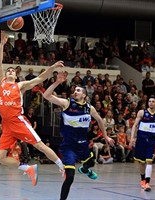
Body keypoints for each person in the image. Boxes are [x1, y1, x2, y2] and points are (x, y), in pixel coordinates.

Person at [0, 31, 64, 187]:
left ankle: (62, 166)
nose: (10, 71)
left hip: (18, 121)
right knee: (0, 157)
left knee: (39, 145)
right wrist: (1, 45)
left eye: (13, 70)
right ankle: (28, 169)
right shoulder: (1, 82)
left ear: (16, 76)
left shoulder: (20, 85)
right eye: (9, 70)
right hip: (6, 125)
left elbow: (40, 78)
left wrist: (52, 67)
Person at [43, 71, 114, 200]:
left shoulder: (89, 108)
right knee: (70, 177)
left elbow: (99, 120)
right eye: (75, 90)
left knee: (91, 163)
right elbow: (47, 95)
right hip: (69, 145)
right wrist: (57, 82)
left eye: (79, 91)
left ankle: (85, 170)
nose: (75, 92)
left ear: (84, 95)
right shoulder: (67, 103)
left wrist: (106, 137)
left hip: (82, 144)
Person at [129, 96, 155, 192]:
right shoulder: (142, 112)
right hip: (141, 140)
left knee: (149, 160)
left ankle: (147, 183)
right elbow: (135, 125)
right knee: (141, 162)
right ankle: (142, 179)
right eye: (150, 101)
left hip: (152, 141)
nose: (151, 103)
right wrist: (132, 138)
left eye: (153, 101)